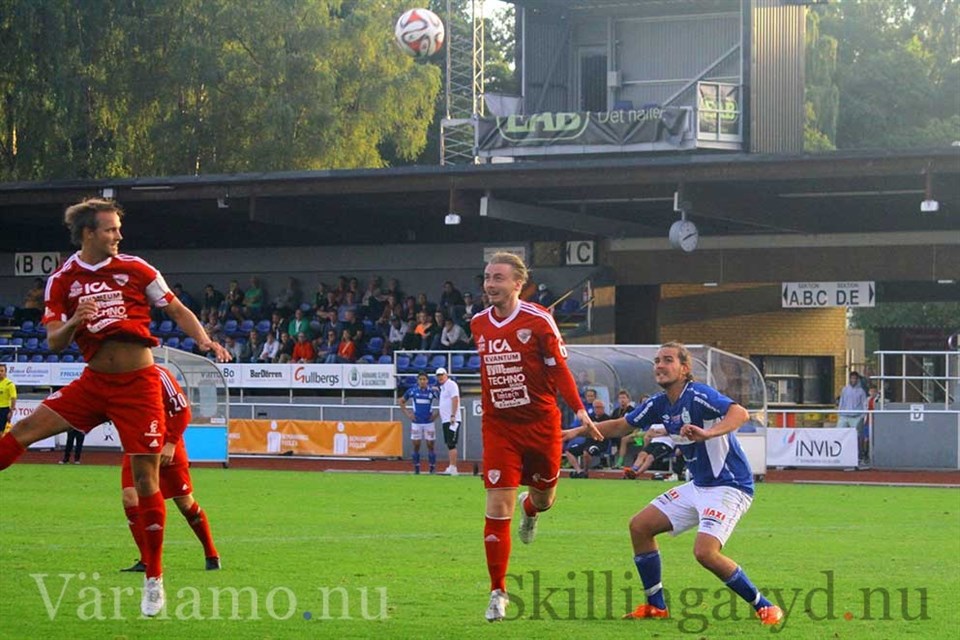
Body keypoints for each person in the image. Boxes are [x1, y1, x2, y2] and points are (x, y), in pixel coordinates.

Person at [0, 197, 230, 618]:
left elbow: (175, 308)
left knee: (144, 480)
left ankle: (154, 580)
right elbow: (54, 341)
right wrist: (75, 320)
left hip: (138, 386)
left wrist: (204, 340)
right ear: (88, 233)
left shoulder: (137, 268)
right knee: (22, 432)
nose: (118, 236)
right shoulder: (62, 280)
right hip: (93, 383)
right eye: (110, 229)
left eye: (118, 229)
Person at [563, 342, 783, 626]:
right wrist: (575, 432)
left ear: (684, 368)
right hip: (699, 486)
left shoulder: (699, 394)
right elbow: (620, 426)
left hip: (729, 486)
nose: (660, 365)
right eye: (657, 360)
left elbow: (739, 413)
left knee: (705, 553)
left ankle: (765, 606)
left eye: (668, 360)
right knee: (640, 526)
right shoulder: (659, 403)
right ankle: (656, 606)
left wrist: (708, 433)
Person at [470, 251, 600, 622]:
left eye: (498, 278)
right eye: (487, 277)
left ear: (518, 283)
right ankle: (498, 592)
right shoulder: (478, 323)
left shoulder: (539, 320)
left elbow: (559, 369)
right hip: (499, 427)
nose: (490, 284)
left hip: (541, 426)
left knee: (544, 499)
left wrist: (580, 410)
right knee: (497, 506)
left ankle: (531, 508)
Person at [120, 366, 220, 573]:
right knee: (130, 498)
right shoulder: (118, 376)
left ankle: (211, 554)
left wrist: (171, 443)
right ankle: (146, 560)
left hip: (166, 448)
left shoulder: (159, 374)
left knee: (185, 504)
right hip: (138, 448)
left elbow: (183, 410)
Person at [399, 372, 439, 474]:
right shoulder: (412, 391)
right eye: (420, 379)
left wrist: (436, 414)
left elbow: (444, 402)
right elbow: (401, 401)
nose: (422, 381)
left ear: (427, 380)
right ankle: (416, 468)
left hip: (429, 422)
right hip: (416, 422)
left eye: (424, 379)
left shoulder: (432, 391)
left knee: (430, 445)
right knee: (416, 445)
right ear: (417, 380)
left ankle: (432, 468)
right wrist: (408, 414)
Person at [435, 367, 461, 476]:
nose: (440, 377)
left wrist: (453, 415)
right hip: (446, 420)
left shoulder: (451, 384)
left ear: (446, 375)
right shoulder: (443, 388)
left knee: (451, 443)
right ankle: (451, 466)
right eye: (438, 376)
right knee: (449, 444)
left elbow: (455, 399)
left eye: (442, 375)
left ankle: (453, 468)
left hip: (452, 420)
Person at [0, 364, 16, 435]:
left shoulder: (9, 384)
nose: (0, 372)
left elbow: (13, 398)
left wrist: (11, 411)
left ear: (5, 372)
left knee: (1, 430)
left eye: (2, 371)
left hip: (4, 409)